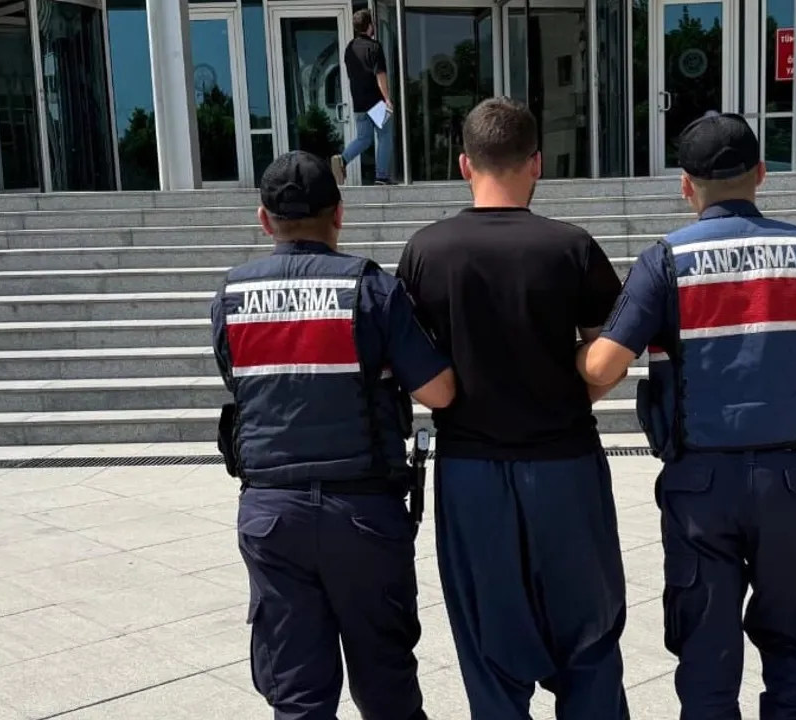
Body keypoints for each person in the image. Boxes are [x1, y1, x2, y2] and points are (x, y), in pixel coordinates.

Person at [576, 112, 796, 720]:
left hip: (700, 489)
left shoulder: (664, 262)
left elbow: (602, 367)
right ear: (761, 174)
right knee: (794, 637)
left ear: (686, 185)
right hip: (789, 481)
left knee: (706, 646)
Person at [394, 97, 630, 720]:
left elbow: (416, 369)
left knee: (488, 651)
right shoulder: (572, 247)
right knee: (590, 644)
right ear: (537, 163)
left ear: (465, 165)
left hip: (471, 472)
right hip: (566, 465)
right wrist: (571, 393)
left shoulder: (426, 251)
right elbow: (609, 356)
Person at [211, 150, 455, 720]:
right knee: (388, 691)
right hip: (363, 513)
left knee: (298, 697)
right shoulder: (370, 289)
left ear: (264, 219)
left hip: (272, 515)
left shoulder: (232, 297)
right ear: (339, 214)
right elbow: (439, 393)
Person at [332, 9, 394, 186]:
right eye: (372, 23)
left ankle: (343, 159)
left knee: (364, 139)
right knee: (385, 137)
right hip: (376, 102)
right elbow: (380, 75)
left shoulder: (349, 49)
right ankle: (381, 176)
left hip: (359, 102)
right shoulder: (375, 47)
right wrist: (387, 99)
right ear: (369, 26)